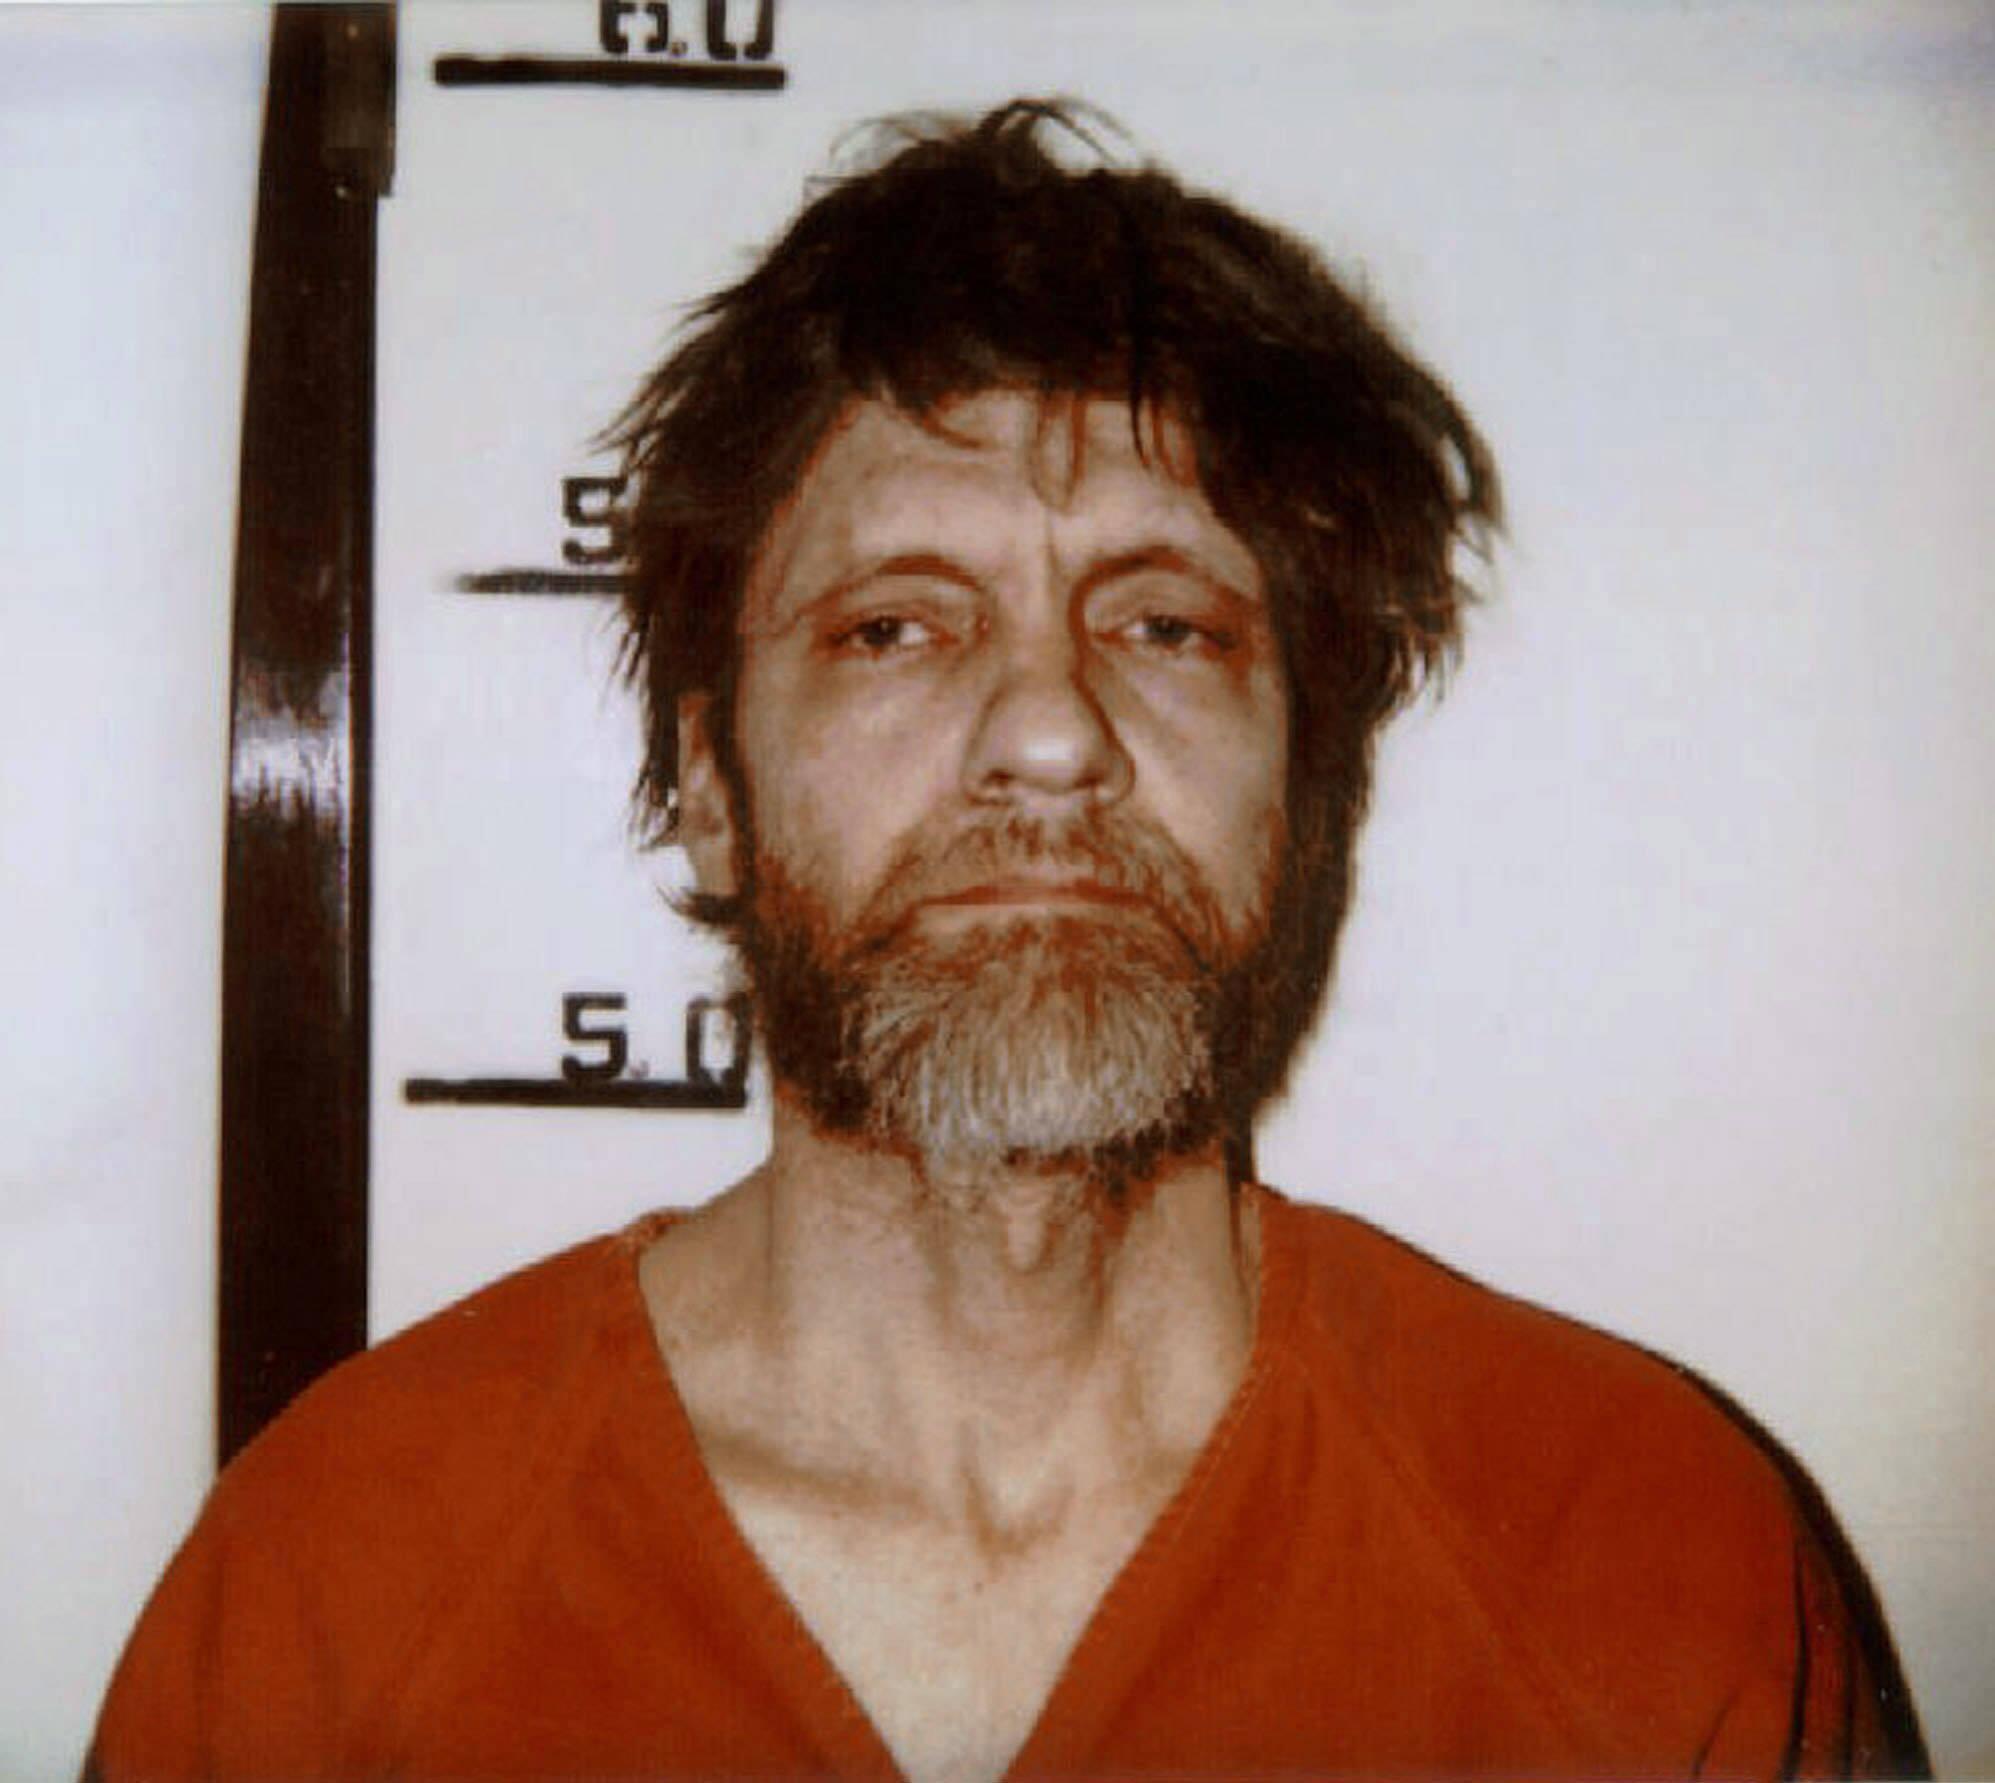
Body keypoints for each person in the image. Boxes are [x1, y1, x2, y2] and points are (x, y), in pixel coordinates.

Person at [90, 101, 1925, 1782]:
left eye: (1167, 627)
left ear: (1308, 783)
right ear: (712, 785)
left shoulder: (1652, 1558)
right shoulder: (335, 1588)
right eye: (894, 627)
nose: (1049, 735)